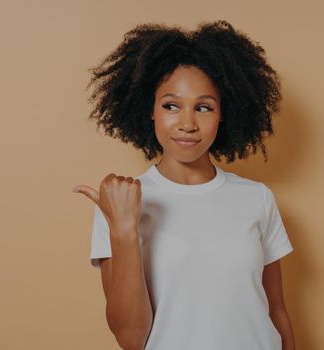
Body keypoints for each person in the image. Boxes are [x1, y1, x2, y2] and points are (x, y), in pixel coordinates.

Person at [72, 20, 296, 350]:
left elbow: (277, 312)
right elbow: (131, 338)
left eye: (203, 107)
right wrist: (123, 229)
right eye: (171, 106)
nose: (188, 123)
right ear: (150, 110)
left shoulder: (257, 198)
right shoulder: (121, 202)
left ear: (223, 114)